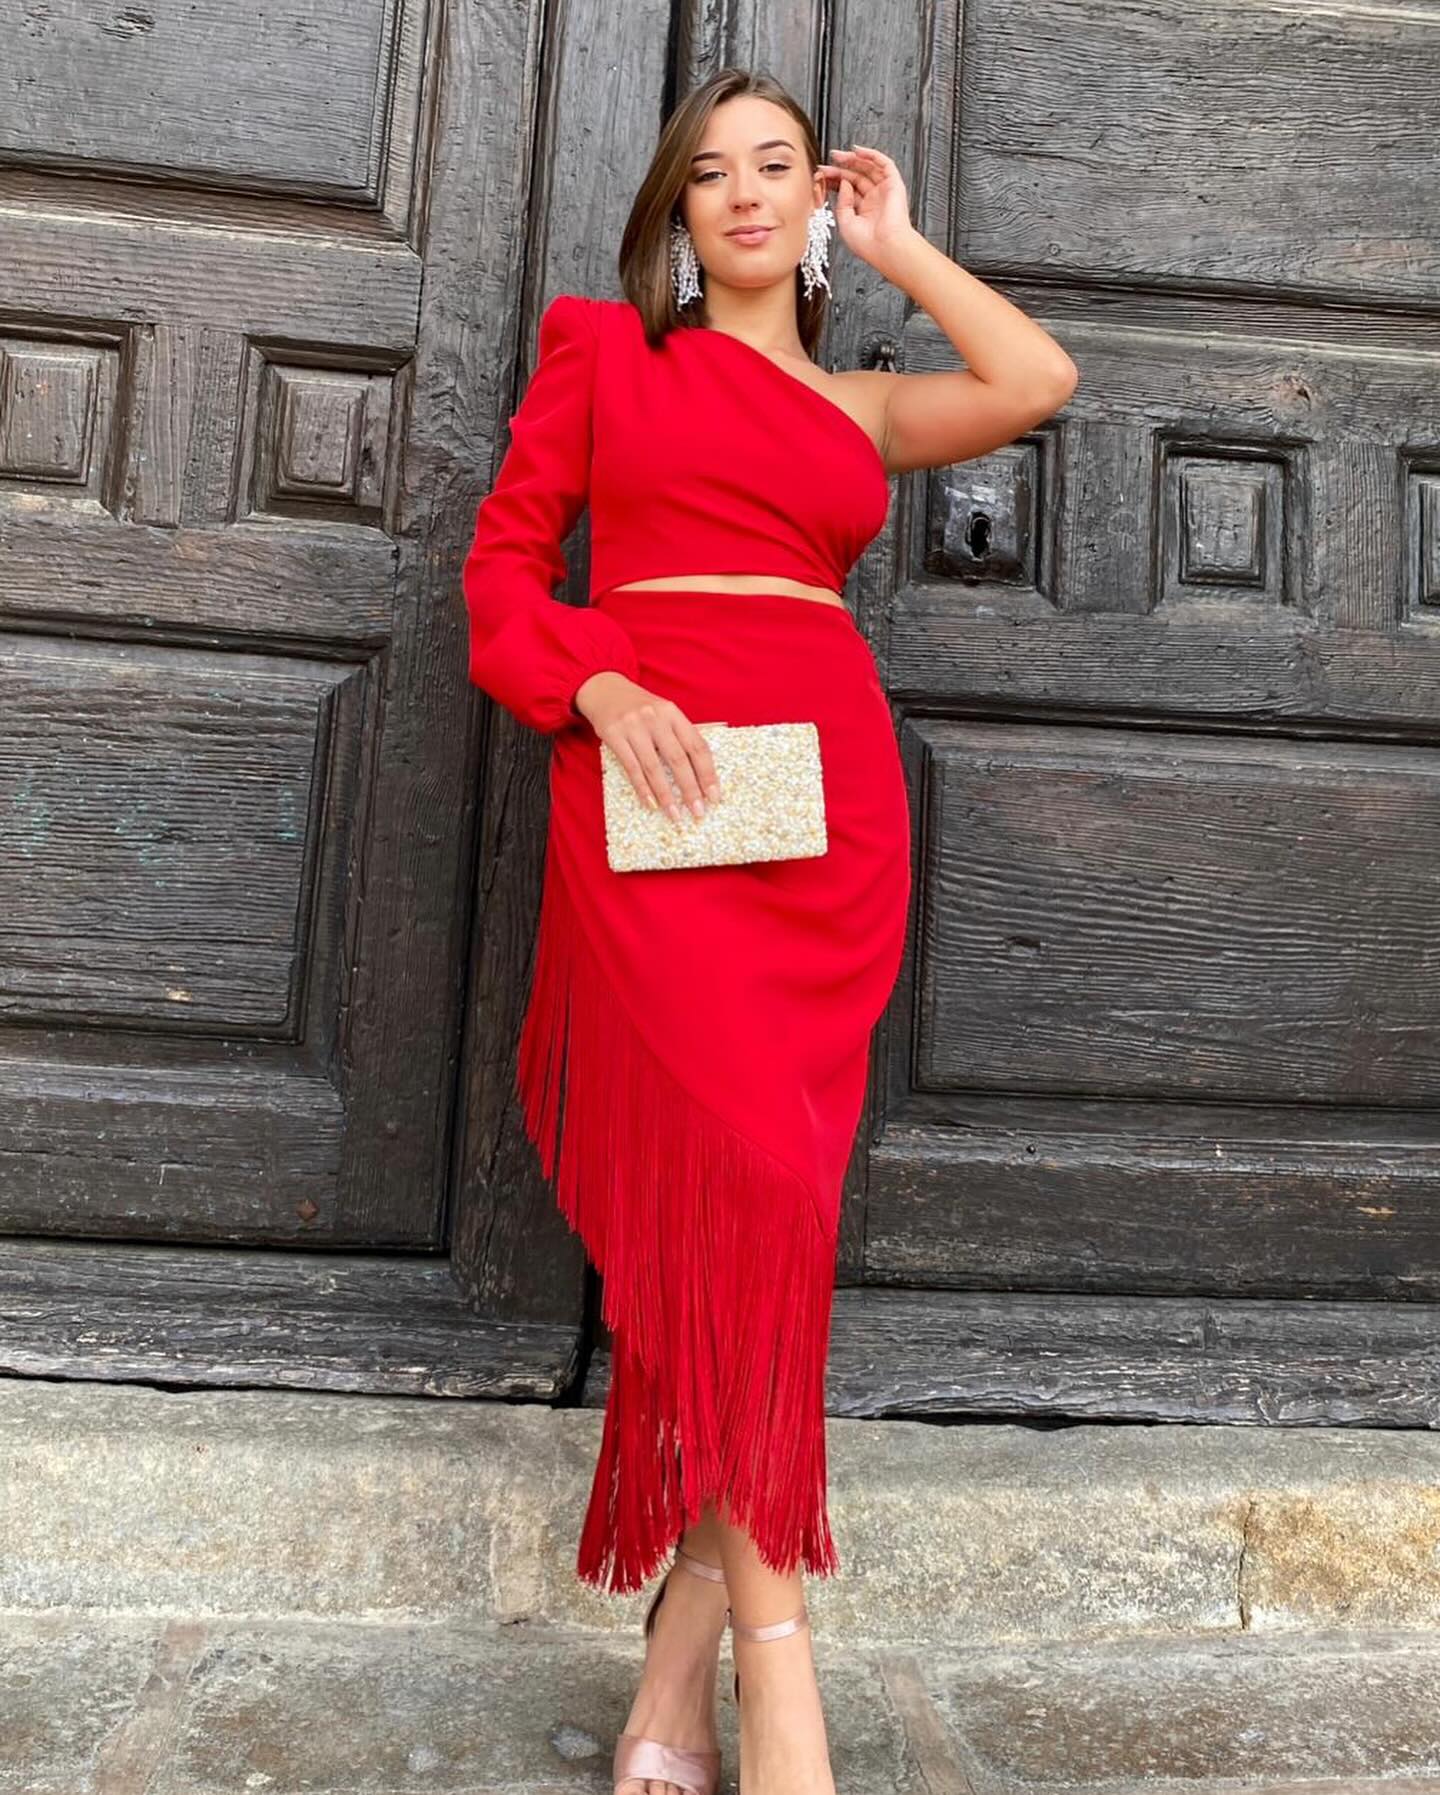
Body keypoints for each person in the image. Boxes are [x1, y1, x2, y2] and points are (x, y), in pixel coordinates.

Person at [460, 65, 1078, 1795]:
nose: (744, 193)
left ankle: (676, 1668)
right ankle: (779, 1672)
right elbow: (500, 573)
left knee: (766, 1235)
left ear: (815, 200)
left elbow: (1036, 380)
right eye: (713, 171)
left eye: (779, 167)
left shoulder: (860, 407)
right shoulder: (606, 352)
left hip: (825, 822)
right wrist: (591, 679)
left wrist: (900, 245)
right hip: (656, 806)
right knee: (718, 1212)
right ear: (677, 210)